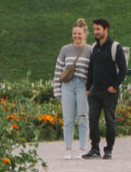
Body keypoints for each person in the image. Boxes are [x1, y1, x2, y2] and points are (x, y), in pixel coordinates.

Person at [84, 17, 125, 158]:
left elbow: (123, 70)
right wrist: (88, 88)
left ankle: (108, 150)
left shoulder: (115, 47)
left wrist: (114, 87)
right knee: (92, 119)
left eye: (98, 29)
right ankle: (95, 148)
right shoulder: (94, 48)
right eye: (94, 29)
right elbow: (91, 69)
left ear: (106, 30)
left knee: (110, 121)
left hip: (109, 92)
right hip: (95, 91)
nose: (95, 32)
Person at [53, 21, 91, 156]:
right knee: (68, 119)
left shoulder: (89, 50)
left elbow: (93, 72)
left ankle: (82, 148)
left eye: (79, 34)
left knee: (83, 117)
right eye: (74, 33)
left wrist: (91, 89)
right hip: (67, 86)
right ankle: (67, 149)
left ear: (85, 34)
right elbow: (58, 70)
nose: (77, 36)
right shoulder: (65, 49)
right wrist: (57, 90)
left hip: (83, 86)